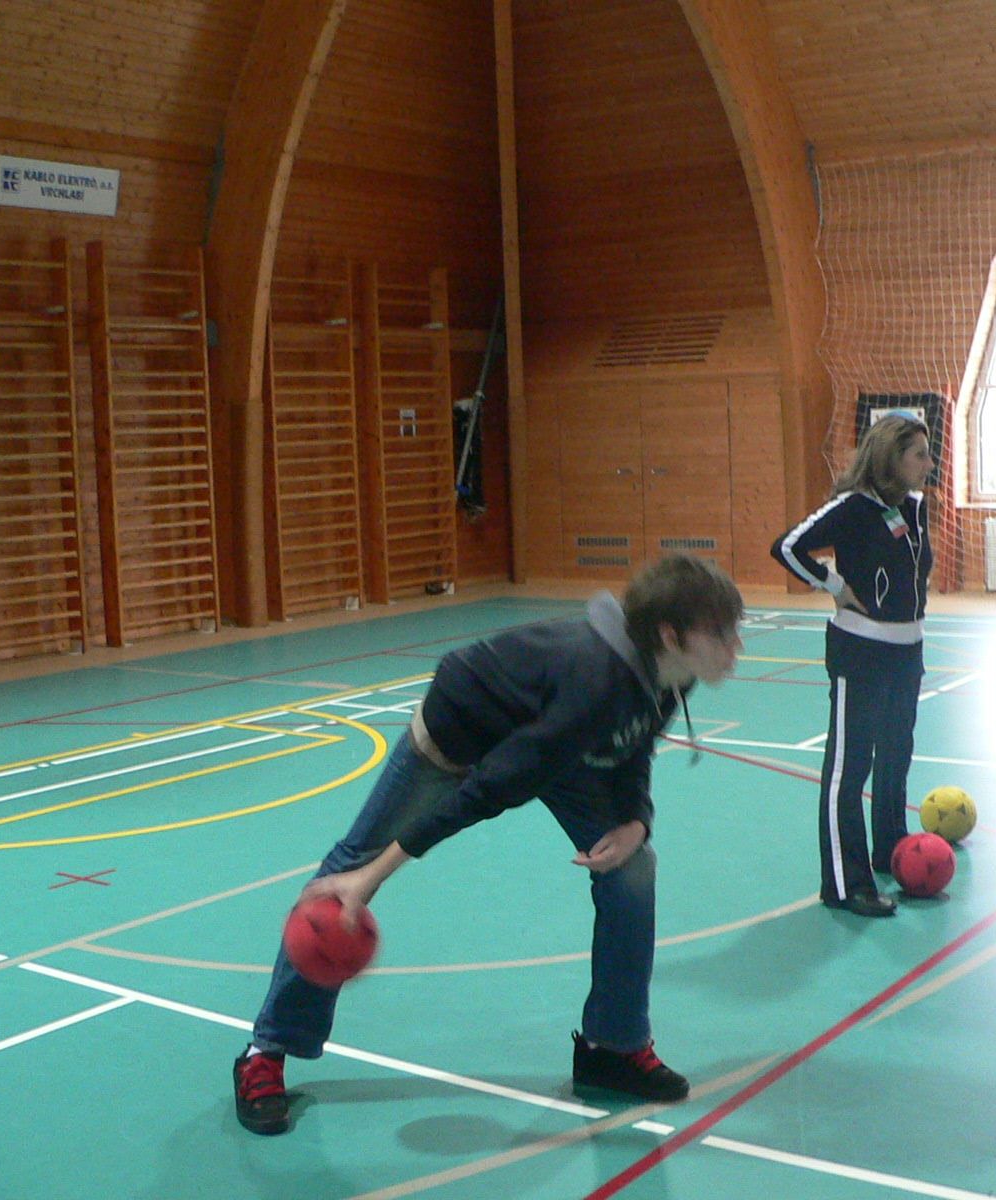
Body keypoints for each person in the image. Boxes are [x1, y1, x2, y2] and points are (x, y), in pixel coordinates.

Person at [233, 554, 745, 1134]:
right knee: (348, 875)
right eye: (721, 634)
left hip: (555, 741)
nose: (736, 648)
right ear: (670, 634)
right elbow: (489, 788)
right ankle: (266, 1051)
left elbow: (632, 748)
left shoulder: (667, 672)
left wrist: (635, 821)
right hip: (459, 732)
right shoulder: (594, 681)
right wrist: (372, 876)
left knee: (633, 868)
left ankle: (612, 1048)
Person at [770, 414, 934, 918]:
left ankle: (891, 851)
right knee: (850, 766)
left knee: (896, 754)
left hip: (907, 651)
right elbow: (787, 547)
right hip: (860, 651)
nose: (929, 464)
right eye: (919, 454)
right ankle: (845, 884)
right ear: (891, 458)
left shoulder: (914, 506)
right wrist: (835, 585)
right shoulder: (853, 507)